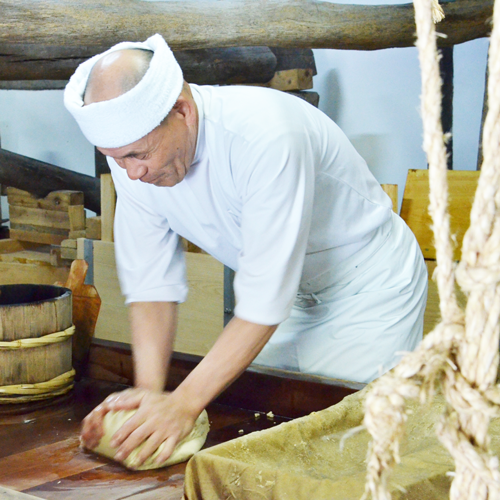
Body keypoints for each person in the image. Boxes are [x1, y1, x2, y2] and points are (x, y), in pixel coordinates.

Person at [64, 34, 427, 469]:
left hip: (368, 289)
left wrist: (182, 405)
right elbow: (151, 282)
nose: (133, 172)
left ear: (181, 109)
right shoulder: (133, 156)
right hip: (291, 299)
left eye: (138, 155)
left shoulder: (266, 135)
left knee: (342, 443)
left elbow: (263, 298)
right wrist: (149, 393)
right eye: (116, 159)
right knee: (261, 422)